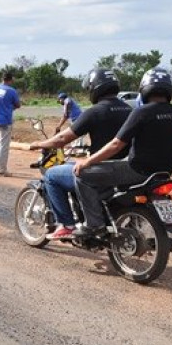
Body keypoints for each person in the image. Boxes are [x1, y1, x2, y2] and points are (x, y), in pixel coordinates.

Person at [72, 68, 172, 237]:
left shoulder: (142, 112)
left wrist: (87, 162)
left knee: (82, 175)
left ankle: (94, 224)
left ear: (144, 88)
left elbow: (116, 144)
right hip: (164, 173)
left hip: (137, 170)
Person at [29, 69, 132, 239]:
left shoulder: (95, 111)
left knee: (52, 176)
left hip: (100, 170)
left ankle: (67, 225)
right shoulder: (129, 110)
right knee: (72, 168)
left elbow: (62, 138)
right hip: (123, 169)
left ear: (95, 88)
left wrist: (39, 144)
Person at [0, 72, 21, 176]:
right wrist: (11, 107)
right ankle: (2, 170)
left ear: (2, 79)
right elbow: (18, 105)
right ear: (11, 80)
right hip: (5, 120)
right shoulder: (11, 91)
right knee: (3, 145)